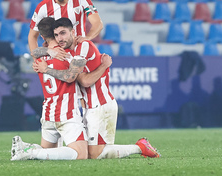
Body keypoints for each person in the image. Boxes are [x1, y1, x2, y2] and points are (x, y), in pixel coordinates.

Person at [33, 18, 161, 159]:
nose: (60, 38)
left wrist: (104, 66)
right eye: (56, 35)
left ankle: (140, 147)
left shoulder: (84, 46)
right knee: (88, 152)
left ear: (73, 32)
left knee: (95, 154)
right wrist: (48, 51)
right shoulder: (67, 50)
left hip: (101, 105)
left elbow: (83, 81)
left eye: (63, 33)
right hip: (89, 106)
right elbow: (35, 52)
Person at [11, 17, 90, 161]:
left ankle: (26, 147)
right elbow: (69, 76)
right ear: (55, 33)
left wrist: (48, 51)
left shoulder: (39, 59)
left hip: (48, 113)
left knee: (49, 154)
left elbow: (34, 52)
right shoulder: (68, 55)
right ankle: (30, 153)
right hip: (66, 112)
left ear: (42, 36)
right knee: (81, 154)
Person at [28, 0, 103, 53]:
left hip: (80, 53)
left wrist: (87, 38)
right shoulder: (43, 7)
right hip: (58, 55)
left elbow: (98, 23)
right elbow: (32, 37)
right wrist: (37, 61)